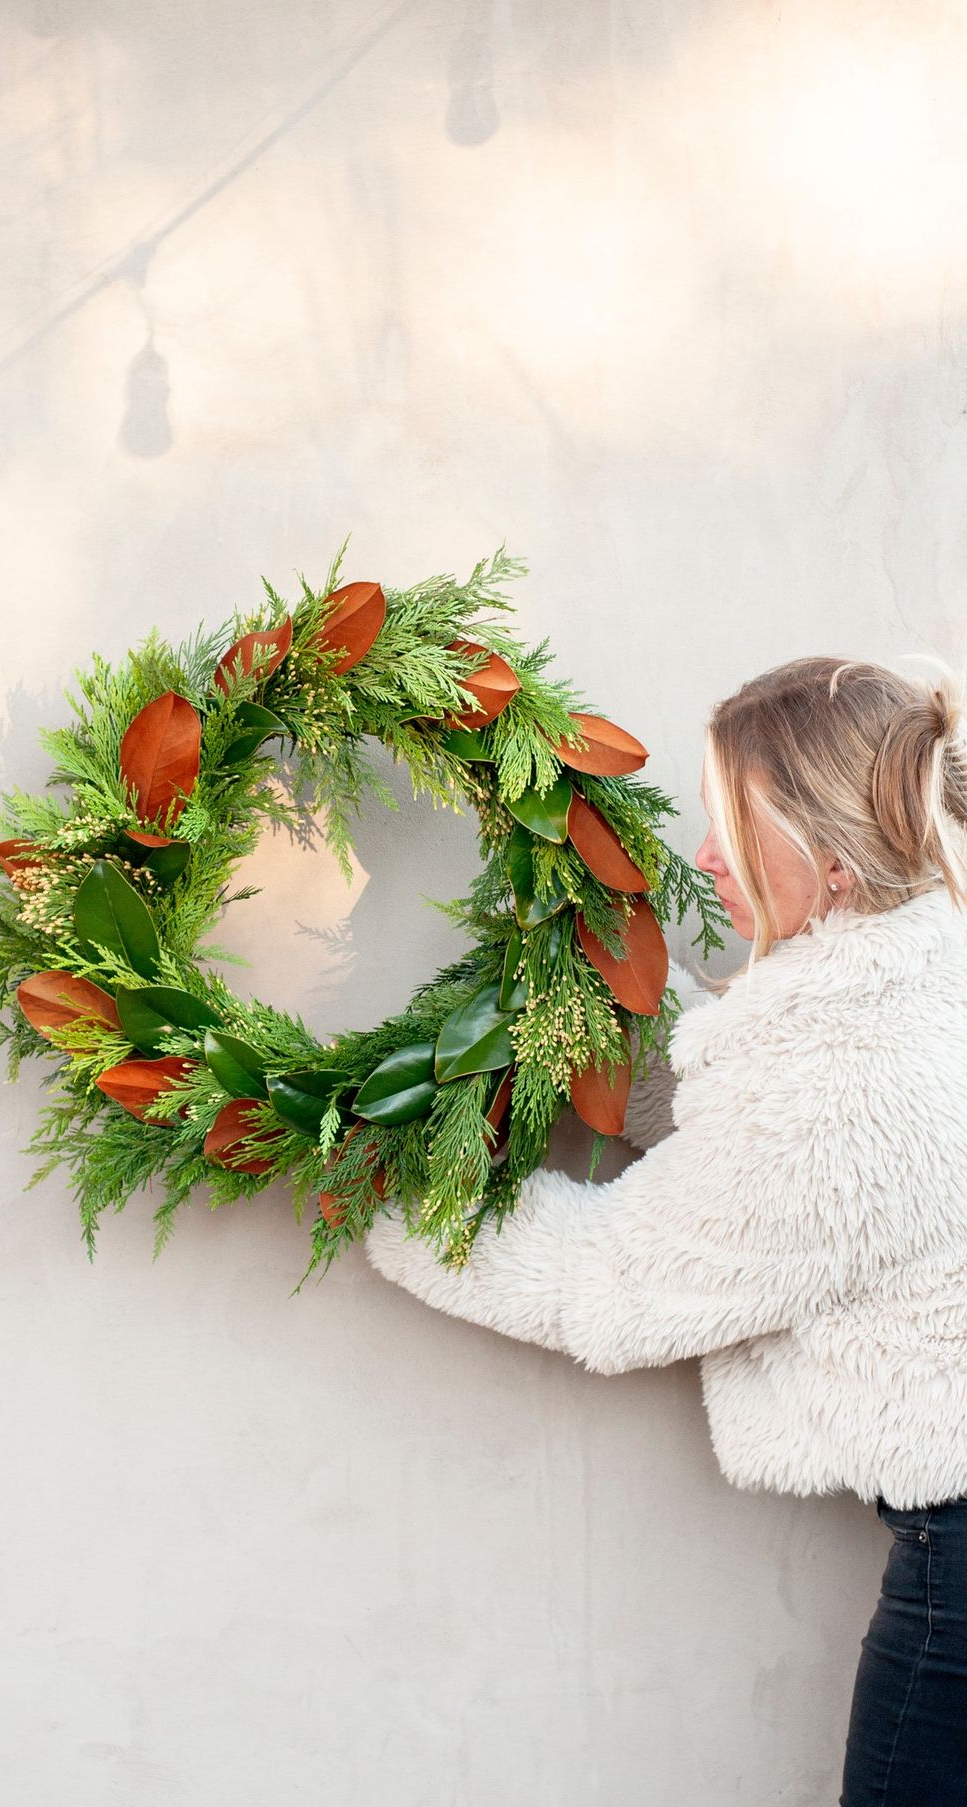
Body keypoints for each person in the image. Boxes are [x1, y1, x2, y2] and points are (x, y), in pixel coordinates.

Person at [364, 654, 967, 1806]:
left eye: (736, 824)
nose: (703, 857)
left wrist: (371, 1178)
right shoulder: (922, 977)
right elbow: (745, 1119)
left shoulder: (852, 1085)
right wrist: (607, 995)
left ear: (834, 861)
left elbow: (614, 1282)